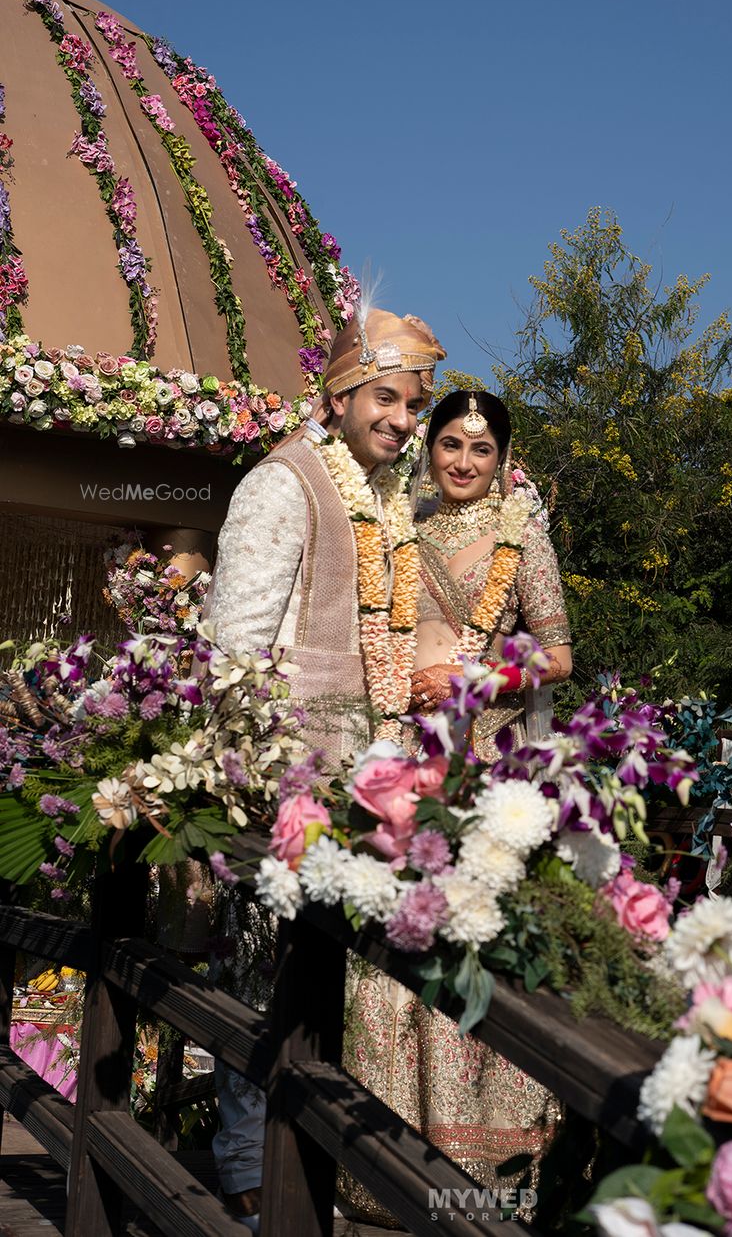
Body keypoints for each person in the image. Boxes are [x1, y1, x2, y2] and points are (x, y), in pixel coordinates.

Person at [203, 304, 446, 1230]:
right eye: (385, 397)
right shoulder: (284, 485)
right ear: (339, 394)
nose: (401, 418)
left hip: (365, 790)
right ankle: (237, 1164)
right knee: (259, 979)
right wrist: (260, 785)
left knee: (329, 986)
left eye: (413, 404)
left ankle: (306, 1163)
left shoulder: (390, 501)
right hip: (286, 785)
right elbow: (238, 655)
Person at [344, 389, 573, 1213]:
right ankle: (375, 1167)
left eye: (481, 449)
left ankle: (475, 1179)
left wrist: (475, 679)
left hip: (486, 767)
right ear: (428, 449)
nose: (463, 463)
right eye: (449, 445)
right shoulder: (396, 526)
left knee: (471, 941)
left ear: (502, 458)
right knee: (388, 945)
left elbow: (558, 657)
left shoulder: (526, 538)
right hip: (400, 758)